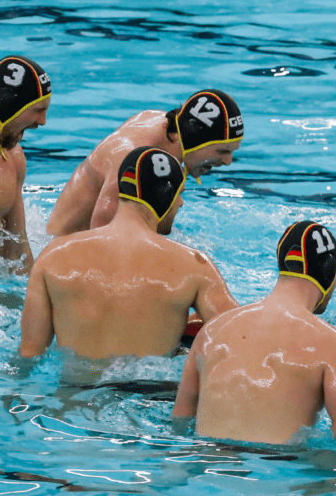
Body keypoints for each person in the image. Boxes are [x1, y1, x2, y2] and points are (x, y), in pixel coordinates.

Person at [20, 147, 237, 360]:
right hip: (155, 392)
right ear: (166, 195)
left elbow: (29, 354)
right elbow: (240, 339)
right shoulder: (195, 266)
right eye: (179, 194)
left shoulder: (53, 256)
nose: (181, 203)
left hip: (75, 394)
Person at [173, 221, 336, 444]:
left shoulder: (211, 332)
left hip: (208, 464)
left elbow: (180, 423)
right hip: (283, 470)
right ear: (331, 272)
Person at [47, 89, 244, 236]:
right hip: (63, 248)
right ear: (194, 139)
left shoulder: (163, 127)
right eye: (222, 151)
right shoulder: (131, 158)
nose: (228, 162)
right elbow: (101, 238)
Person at [0, 55, 52, 273]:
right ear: (9, 106)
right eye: (38, 110)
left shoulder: (13, 160)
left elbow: (16, 251)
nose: (42, 121)